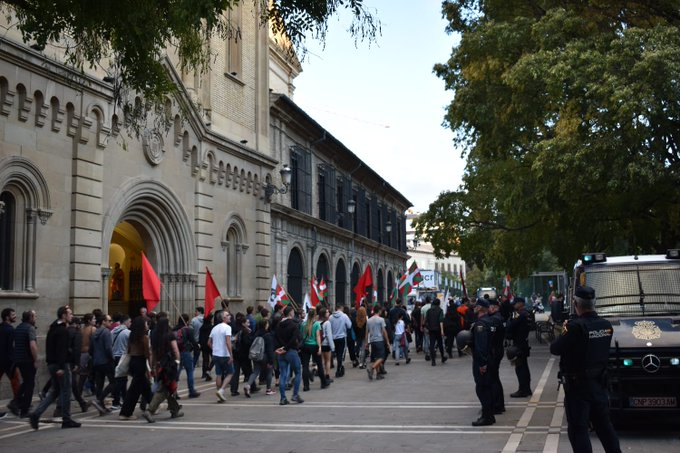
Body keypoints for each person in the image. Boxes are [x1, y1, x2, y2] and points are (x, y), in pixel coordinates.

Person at [550, 286, 621, 453]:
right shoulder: (606, 325)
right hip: (600, 385)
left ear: (575, 303)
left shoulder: (574, 327)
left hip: (579, 388)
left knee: (578, 430)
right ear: (594, 303)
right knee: (605, 428)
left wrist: (564, 330)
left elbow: (555, 348)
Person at [28, 305, 81, 429]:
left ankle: (35, 414)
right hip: (60, 364)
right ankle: (66, 419)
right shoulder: (63, 331)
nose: (72, 315)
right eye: (70, 313)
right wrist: (61, 367)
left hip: (52, 363)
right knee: (66, 391)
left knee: (55, 391)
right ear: (64, 315)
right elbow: (61, 350)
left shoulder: (53, 328)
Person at [119, 316, 154, 422]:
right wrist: (150, 368)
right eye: (145, 323)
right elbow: (147, 354)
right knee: (134, 390)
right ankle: (126, 413)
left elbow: (128, 350)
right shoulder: (144, 337)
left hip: (133, 362)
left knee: (145, 386)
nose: (147, 325)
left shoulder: (132, 336)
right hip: (140, 362)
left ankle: (153, 405)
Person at [148, 317, 183, 418]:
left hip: (159, 365)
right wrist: (178, 361)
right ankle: (150, 410)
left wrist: (152, 366)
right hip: (169, 365)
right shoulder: (169, 335)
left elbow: (152, 353)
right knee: (165, 388)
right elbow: (175, 350)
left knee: (169, 388)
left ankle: (174, 410)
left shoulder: (154, 336)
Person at [471, 299, 495, 426]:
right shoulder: (490, 321)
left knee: (482, 388)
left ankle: (487, 417)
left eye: (476, 306)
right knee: (487, 387)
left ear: (480, 308)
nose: (474, 307)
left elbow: (481, 345)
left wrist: (482, 364)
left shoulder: (480, 323)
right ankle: (489, 415)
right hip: (490, 356)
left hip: (483, 360)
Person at [11, 310, 38, 418]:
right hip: (28, 360)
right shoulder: (30, 328)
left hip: (19, 359)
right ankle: (24, 410)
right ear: (30, 318)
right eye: (35, 316)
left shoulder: (18, 328)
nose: (36, 318)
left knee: (26, 382)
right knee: (30, 385)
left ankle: (16, 402)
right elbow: (32, 345)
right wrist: (35, 359)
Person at [275, 305, 303, 405]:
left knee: (283, 374)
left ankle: (283, 398)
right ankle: (295, 395)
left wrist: (281, 348)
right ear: (291, 312)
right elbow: (295, 338)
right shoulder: (293, 324)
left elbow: (277, 337)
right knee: (298, 372)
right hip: (291, 350)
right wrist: (286, 348)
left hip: (281, 351)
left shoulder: (279, 324)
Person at [506, 297, 532, 397]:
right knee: (524, 367)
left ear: (520, 304)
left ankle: (523, 390)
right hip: (523, 343)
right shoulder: (526, 314)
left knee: (520, 368)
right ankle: (527, 389)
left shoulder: (520, 315)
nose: (514, 305)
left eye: (515, 304)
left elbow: (510, 326)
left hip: (519, 344)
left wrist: (511, 318)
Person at [90, 314, 116, 414]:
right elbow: (108, 348)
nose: (111, 322)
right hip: (106, 361)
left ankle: (101, 407)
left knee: (99, 385)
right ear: (103, 322)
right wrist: (112, 358)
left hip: (96, 361)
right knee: (113, 382)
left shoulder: (95, 333)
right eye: (109, 321)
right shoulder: (106, 332)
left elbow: (91, 349)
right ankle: (99, 400)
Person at [209, 310, 234, 402]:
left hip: (216, 354)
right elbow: (228, 342)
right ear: (223, 318)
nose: (230, 316)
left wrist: (215, 349)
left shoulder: (214, 328)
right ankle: (221, 390)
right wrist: (231, 355)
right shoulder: (227, 327)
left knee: (218, 374)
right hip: (225, 354)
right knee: (230, 373)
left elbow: (209, 342)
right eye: (228, 315)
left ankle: (219, 392)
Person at [245, 318, 274, 396]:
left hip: (256, 355)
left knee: (255, 371)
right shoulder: (268, 335)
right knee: (269, 372)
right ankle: (268, 389)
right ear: (265, 325)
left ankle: (248, 385)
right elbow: (270, 349)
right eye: (267, 324)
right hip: (265, 356)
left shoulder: (256, 334)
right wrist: (271, 360)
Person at [175, 314, 201, 398]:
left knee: (176, 373)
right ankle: (191, 391)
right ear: (186, 321)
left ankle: (174, 392)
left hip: (176, 353)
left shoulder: (174, 329)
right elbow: (193, 342)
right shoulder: (188, 330)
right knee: (190, 371)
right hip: (185, 353)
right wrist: (197, 347)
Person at [487, 299, 506, 414]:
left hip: (494, 350)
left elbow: (491, 337)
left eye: (489, 307)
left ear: (494, 307)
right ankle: (499, 404)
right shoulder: (499, 318)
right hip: (497, 349)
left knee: (493, 379)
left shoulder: (494, 319)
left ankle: (497, 405)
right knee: (495, 378)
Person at [1, 308, 20, 416]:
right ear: (7, 317)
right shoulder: (11, 330)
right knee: (16, 383)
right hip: (9, 362)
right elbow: (12, 347)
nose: (15, 316)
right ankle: (16, 405)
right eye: (13, 314)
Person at [366, 304, 390, 380]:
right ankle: (372, 368)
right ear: (379, 311)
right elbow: (384, 331)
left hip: (372, 341)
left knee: (376, 357)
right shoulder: (381, 319)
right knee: (382, 357)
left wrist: (366, 343)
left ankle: (378, 374)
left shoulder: (369, 320)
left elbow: (366, 333)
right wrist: (388, 342)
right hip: (379, 340)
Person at [329, 304, 352, 378]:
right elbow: (349, 325)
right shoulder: (344, 316)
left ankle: (336, 365)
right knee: (340, 354)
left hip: (333, 338)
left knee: (335, 352)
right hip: (342, 337)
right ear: (341, 308)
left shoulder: (331, 317)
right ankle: (339, 369)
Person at [425, 298, 447, 366]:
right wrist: (442, 331)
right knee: (440, 344)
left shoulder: (429, 311)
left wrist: (427, 328)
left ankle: (433, 361)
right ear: (439, 303)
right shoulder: (440, 310)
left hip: (431, 329)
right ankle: (442, 357)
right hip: (438, 330)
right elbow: (441, 321)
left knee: (432, 344)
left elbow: (426, 320)